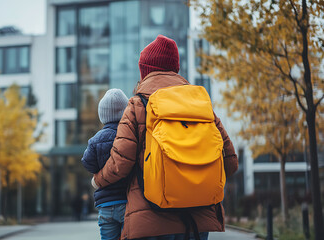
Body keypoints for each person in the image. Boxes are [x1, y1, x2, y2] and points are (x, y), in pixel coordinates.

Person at [91, 35, 239, 240]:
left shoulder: (137, 105)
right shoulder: (202, 107)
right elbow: (230, 164)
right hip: (197, 218)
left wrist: (98, 180)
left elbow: (120, 163)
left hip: (153, 217)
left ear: (145, 71)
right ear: (175, 68)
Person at [81, 89, 130, 240]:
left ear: (103, 115)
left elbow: (88, 163)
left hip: (106, 205)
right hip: (126, 201)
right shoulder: (130, 136)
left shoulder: (95, 140)